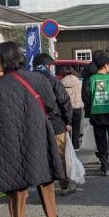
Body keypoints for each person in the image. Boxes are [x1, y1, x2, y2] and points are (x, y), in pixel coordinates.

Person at [0, 42, 63, 217]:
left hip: (10, 136)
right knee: (44, 178)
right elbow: (49, 104)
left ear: (2, 59)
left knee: (16, 184)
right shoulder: (38, 79)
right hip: (38, 132)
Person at [34, 53, 76, 195]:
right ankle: (65, 184)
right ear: (48, 65)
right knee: (60, 156)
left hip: (35, 124)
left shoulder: (27, 80)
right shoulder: (52, 80)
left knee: (41, 156)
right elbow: (64, 102)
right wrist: (68, 121)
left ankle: (44, 189)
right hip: (56, 123)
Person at [60, 65, 84, 150]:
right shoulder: (79, 82)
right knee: (76, 128)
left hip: (65, 109)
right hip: (77, 107)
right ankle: (76, 146)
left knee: (66, 127)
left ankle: (67, 146)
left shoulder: (60, 83)